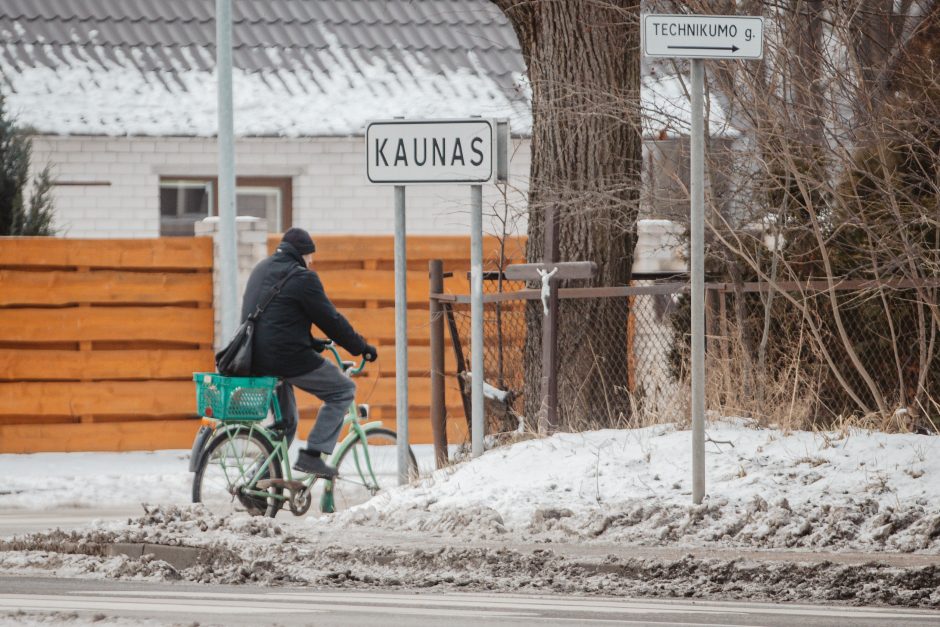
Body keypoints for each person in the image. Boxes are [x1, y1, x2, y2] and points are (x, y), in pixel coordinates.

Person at [241, 227, 377, 479]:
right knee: (343, 389)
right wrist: (361, 348)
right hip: (286, 359)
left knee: (287, 423)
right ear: (301, 254)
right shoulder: (303, 278)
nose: (311, 261)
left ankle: (257, 482)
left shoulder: (262, 268)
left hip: (255, 359)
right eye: (310, 256)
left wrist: (310, 341)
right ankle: (312, 456)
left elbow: (277, 318)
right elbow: (332, 320)